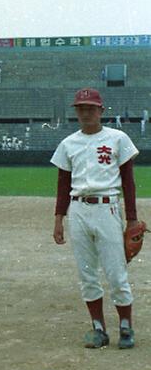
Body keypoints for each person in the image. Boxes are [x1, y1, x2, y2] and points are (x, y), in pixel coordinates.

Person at [51, 88, 140, 349]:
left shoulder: (117, 138)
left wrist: (132, 219)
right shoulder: (69, 143)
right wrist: (59, 218)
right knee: (87, 274)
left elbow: (128, 181)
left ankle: (126, 327)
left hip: (107, 207)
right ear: (76, 112)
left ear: (101, 110)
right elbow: (62, 184)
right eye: (81, 108)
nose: (85, 112)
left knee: (116, 272)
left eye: (91, 107)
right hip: (78, 209)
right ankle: (98, 329)